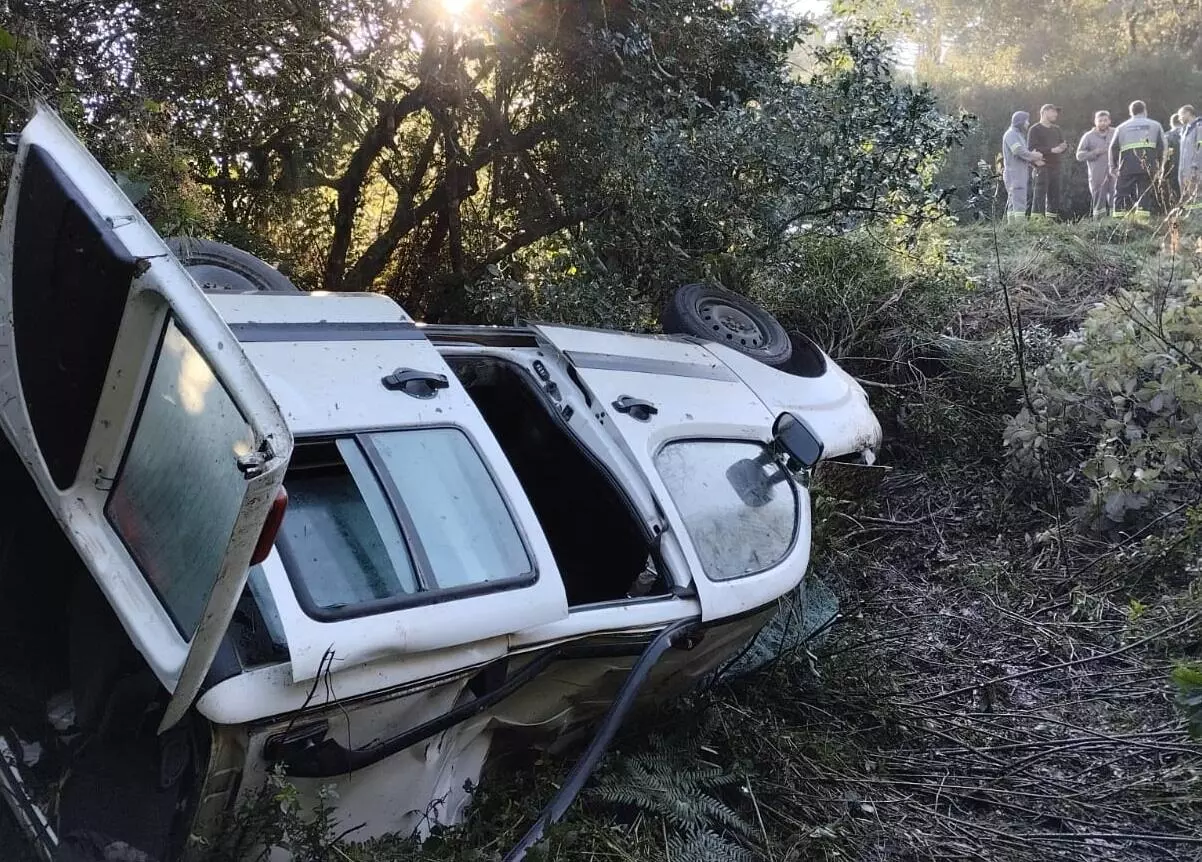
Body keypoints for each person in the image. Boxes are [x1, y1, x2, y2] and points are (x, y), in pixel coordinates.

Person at [1109, 100, 1166, 219]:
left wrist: (1113, 167)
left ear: (1131, 112)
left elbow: (1113, 148)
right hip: (1148, 165)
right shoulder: (1155, 125)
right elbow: (1162, 147)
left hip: (1126, 166)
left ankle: (1118, 222)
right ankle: (1143, 222)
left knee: (1121, 193)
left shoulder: (1121, 127)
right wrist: (1161, 166)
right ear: (1145, 111)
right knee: (1144, 194)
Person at [1027, 104, 1068, 218]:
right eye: (1053, 111)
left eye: (1056, 112)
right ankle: (1036, 224)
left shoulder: (1057, 129)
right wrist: (1051, 150)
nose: (1056, 114)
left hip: (1056, 167)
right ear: (1044, 112)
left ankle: (1051, 223)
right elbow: (1031, 149)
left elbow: (1062, 146)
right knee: (1039, 196)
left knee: (1054, 196)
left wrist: (1063, 147)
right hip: (1042, 167)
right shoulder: (1034, 129)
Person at [1002, 111, 1044, 220]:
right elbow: (1018, 151)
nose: (1028, 123)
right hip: (1015, 175)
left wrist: (1033, 162)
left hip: (1018, 174)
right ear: (1020, 122)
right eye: (1026, 121)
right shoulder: (1011, 134)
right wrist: (1034, 156)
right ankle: (1020, 230)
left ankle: (1012, 229)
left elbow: (1022, 156)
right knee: (1019, 202)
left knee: (1013, 203)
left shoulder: (1017, 135)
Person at [1076, 110, 1116, 217]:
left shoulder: (1116, 133)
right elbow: (1079, 155)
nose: (1103, 123)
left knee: (1116, 196)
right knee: (1099, 198)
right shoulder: (1088, 136)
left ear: (1109, 121)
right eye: (1100, 121)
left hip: (1115, 172)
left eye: (1105, 120)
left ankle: (1116, 223)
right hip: (1097, 173)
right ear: (1095, 122)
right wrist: (1094, 152)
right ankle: (1100, 224)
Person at [1180, 105, 1201, 214]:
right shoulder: (1186, 130)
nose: (1179, 118)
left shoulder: (1199, 127)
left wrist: (1195, 167)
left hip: (1195, 171)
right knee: (1189, 200)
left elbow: (1199, 147)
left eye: (1181, 115)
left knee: (1197, 199)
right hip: (1186, 172)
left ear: (1188, 113)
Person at [1164, 112, 1184, 206]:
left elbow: (1167, 155)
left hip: (1173, 169)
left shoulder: (1168, 136)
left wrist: (1164, 171)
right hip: (1191, 169)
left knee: (1176, 193)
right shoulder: (1190, 133)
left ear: (1171, 123)